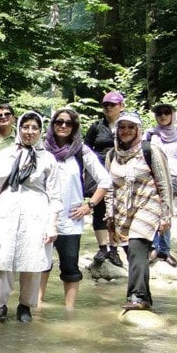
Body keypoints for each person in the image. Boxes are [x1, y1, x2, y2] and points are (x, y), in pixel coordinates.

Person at [0, 112, 62, 323]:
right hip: (6, 210)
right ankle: (0, 304)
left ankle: (25, 305)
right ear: (19, 128)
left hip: (36, 212)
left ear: (40, 131)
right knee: (2, 259)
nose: (29, 132)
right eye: (25, 127)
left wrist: (52, 224)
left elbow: (55, 195)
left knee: (33, 260)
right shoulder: (6, 155)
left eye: (34, 128)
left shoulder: (48, 159)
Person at [38, 108, 111, 310]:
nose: (63, 126)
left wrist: (90, 205)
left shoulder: (81, 151)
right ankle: (37, 308)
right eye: (59, 122)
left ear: (74, 127)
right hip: (43, 218)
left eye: (68, 123)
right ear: (52, 125)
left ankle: (69, 312)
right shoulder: (41, 150)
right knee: (40, 265)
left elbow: (105, 180)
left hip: (71, 219)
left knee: (70, 267)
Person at [105, 112, 173, 310]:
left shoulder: (151, 150)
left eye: (130, 127)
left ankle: (137, 297)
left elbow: (164, 184)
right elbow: (109, 187)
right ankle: (146, 297)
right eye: (122, 127)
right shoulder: (112, 155)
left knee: (136, 246)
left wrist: (166, 215)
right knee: (134, 254)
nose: (126, 131)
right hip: (122, 210)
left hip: (148, 206)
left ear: (138, 130)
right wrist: (109, 214)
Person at [144, 103, 177, 267]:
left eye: (166, 112)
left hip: (173, 178)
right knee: (155, 211)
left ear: (172, 115)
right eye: (159, 113)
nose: (162, 116)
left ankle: (164, 249)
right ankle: (155, 248)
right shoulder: (150, 135)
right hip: (153, 177)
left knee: (167, 214)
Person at [84, 91, 125, 268]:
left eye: (112, 104)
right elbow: (85, 149)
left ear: (121, 106)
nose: (108, 107)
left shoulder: (127, 125)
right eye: (105, 105)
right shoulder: (96, 127)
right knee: (99, 208)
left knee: (117, 211)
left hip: (121, 172)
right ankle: (102, 248)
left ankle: (114, 249)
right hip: (98, 173)